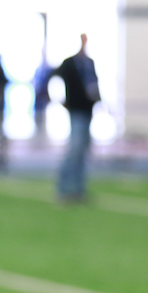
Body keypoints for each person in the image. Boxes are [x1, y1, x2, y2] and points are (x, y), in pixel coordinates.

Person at [55, 33, 100, 201]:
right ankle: (63, 189)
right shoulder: (69, 63)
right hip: (76, 111)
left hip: (88, 111)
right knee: (74, 150)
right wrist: (60, 99)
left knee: (82, 152)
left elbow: (93, 85)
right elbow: (54, 78)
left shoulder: (89, 63)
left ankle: (78, 190)